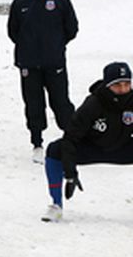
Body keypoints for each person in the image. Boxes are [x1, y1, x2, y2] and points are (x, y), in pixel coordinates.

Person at [40, 61, 133, 222]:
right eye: (117, 85)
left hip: (122, 147)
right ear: (107, 86)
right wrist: (70, 173)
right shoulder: (93, 103)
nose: (123, 89)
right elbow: (70, 138)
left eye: (127, 84)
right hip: (91, 148)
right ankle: (56, 205)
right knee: (55, 150)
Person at [8, 0, 79, 163]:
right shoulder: (20, 2)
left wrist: (55, 44)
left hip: (54, 63)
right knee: (33, 104)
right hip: (29, 64)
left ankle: (72, 140)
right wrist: (27, 46)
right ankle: (37, 143)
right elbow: (13, 31)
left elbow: (71, 28)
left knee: (61, 102)